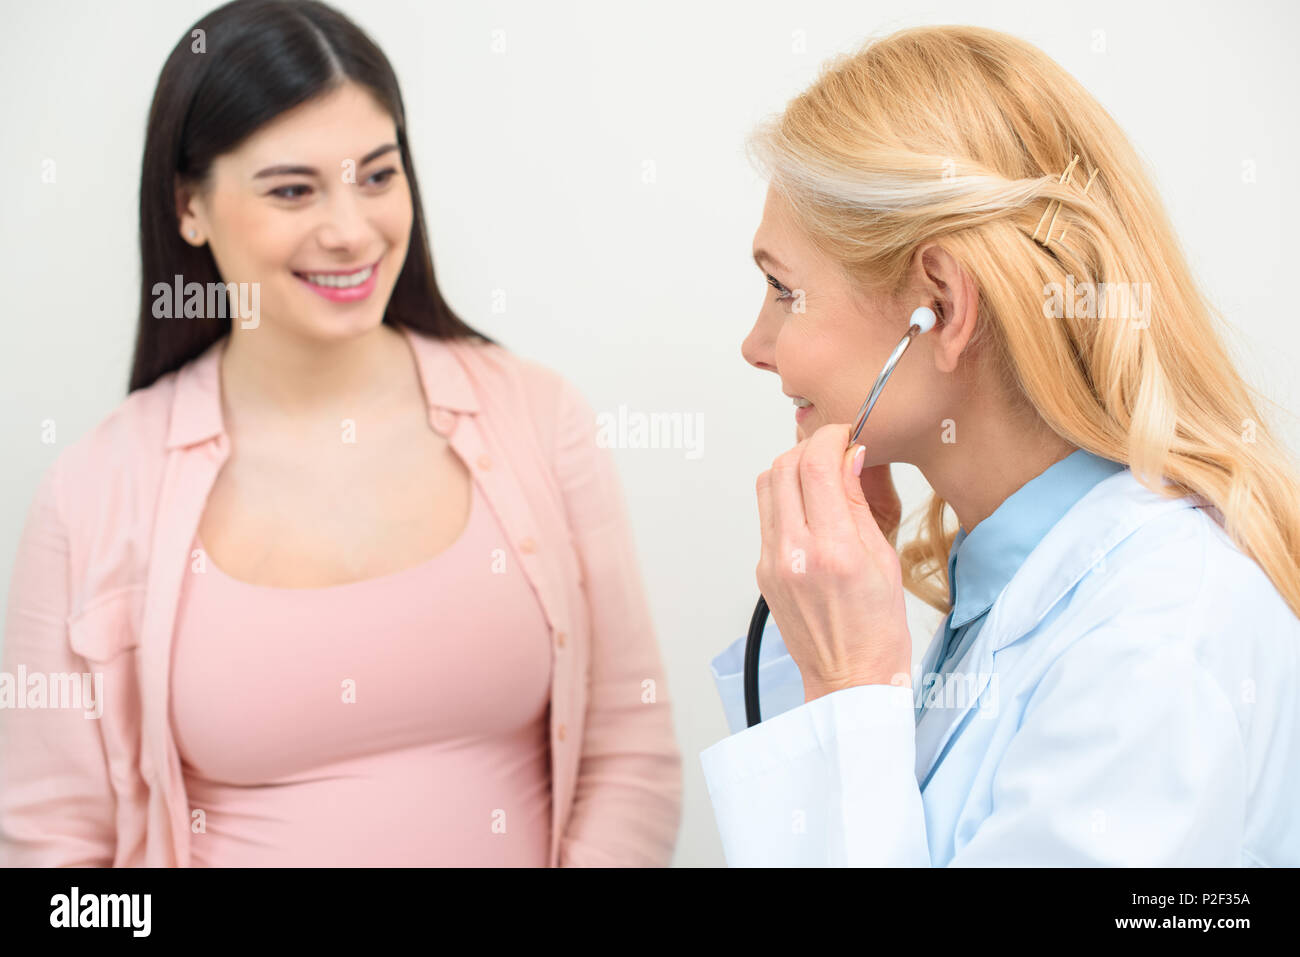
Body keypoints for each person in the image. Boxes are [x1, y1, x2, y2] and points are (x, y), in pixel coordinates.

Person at [0, 0, 680, 867]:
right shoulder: (92, 491)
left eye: (377, 175)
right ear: (189, 206)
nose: (352, 229)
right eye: (293, 189)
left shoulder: (539, 417)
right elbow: (55, 858)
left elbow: (631, 752)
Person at [701, 24, 1300, 866]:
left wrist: (850, 686)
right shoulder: (1015, 593)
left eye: (782, 290)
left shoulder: (1154, 640)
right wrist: (821, 669)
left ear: (941, 306)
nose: (756, 346)